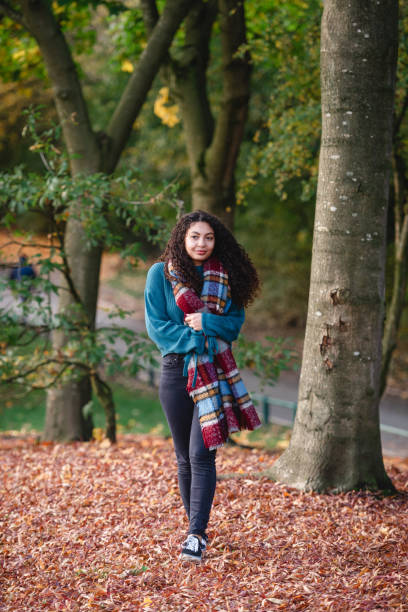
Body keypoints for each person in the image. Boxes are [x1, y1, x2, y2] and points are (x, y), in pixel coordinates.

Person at [144, 210, 261, 563]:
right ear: (182, 238)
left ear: (216, 240)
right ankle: (192, 526)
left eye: (208, 237)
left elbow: (234, 326)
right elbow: (157, 327)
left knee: (201, 453)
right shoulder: (160, 274)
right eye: (194, 236)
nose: (201, 243)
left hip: (214, 374)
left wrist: (207, 321)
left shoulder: (228, 275)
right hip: (175, 372)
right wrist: (201, 337)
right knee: (183, 457)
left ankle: (196, 534)